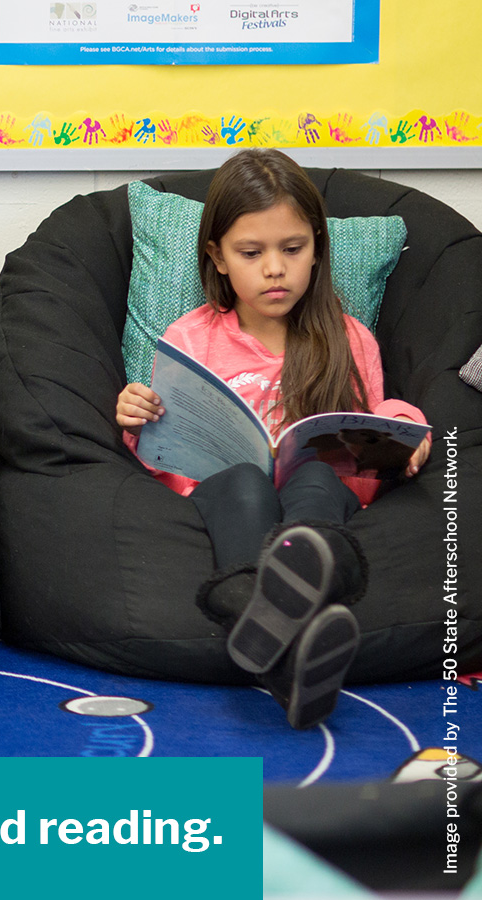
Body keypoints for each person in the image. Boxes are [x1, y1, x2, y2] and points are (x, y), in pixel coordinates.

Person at [117, 148, 431, 729]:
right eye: (251, 252)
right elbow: (166, 456)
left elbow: (367, 430)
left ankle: (292, 585)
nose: (274, 269)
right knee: (244, 481)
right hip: (229, 495)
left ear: (317, 248)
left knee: (317, 474)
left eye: (292, 249)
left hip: (316, 496)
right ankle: (309, 595)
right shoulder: (190, 338)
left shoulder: (348, 338)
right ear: (217, 256)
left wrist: (401, 424)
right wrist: (139, 420)